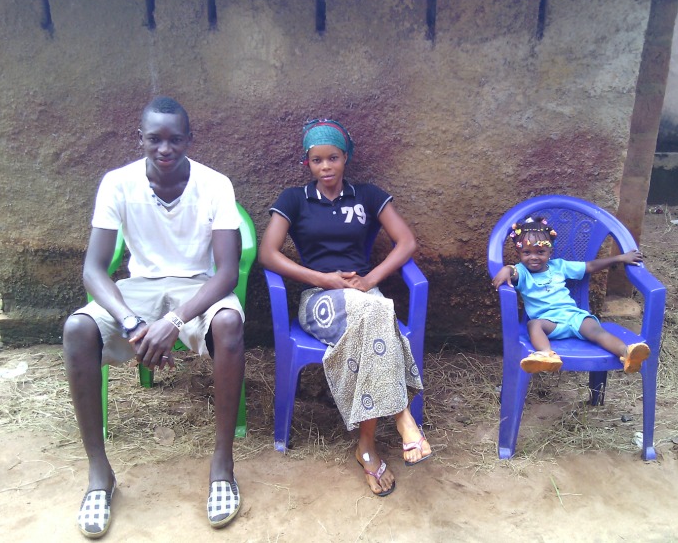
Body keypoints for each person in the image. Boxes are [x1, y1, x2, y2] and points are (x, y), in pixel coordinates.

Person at [63, 96, 245, 538]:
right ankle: (99, 473)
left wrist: (175, 321)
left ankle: (222, 463)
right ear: (139, 138)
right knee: (77, 329)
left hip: (196, 288)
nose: (165, 149)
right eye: (154, 139)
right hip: (139, 290)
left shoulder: (215, 184)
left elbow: (226, 273)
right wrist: (131, 321)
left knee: (229, 324)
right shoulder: (117, 183)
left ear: (189, 139)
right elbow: (93, 269)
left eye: (175, 139)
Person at [258, 119, 431, 497]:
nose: (325, 167)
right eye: (317, 160)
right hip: (319, 302)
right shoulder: (294, 199)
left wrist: (368, 281)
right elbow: (267, 254)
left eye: (333, 158)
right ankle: (402, 417)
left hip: (364, 298)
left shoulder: (367, 195)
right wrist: (323, 280)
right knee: (379, 313)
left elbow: (406, 242)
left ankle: (366, 447)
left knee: (373, 313)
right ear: (308, 163)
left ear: (345, 157)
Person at [492, 216, 650, 374]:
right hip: (549, 323)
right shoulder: (523, 271)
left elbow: (590, 266)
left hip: (574, 317)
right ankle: (547, 355)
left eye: (540, 251)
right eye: (527, 252)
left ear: (550, 251)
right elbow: (513, 272)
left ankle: (627, 353)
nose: (534, 257)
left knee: (597, 331)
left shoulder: (560, 266)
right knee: (533, 325)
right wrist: (507, 269)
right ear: (518, 252)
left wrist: (620, 258)